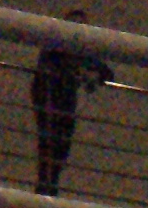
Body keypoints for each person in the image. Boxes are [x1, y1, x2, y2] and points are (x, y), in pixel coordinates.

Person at [30, 16, 111, 198]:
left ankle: (50, 187)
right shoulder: (55, 46)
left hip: (65, 102)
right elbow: (52, 66)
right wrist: (82, 71)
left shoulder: (80, 51)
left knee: (62, 145)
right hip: (49, 98)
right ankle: (45, 188)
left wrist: (93, 75)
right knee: (49, 144)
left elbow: (105, 70)